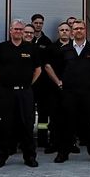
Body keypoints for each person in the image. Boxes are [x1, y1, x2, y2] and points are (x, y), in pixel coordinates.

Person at [47, 20, 90, 163]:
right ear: (72, 31)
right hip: (69, 93)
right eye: (76, 28)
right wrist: (60, 82)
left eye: (81, 28)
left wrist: (89, 82)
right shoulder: (64, 50)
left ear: (85, 31)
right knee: (67, 123)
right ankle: (63, 153)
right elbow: (57, 69)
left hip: (88, 93)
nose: (78, 31)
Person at [0, 19, 42, 168]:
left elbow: (38, 69)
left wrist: (28, 84)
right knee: (5, 125)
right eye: (16, 29)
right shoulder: (2, 47)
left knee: (27, 125)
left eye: (21, 29)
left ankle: (29, 157)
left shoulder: (31, 48)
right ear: (10, 30)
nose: (19, 32)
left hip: (25, 93)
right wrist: (3, 82)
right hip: (6, 93)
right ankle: (1, 157)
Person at [41, 22, 72, 154]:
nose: (64, 32)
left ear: (70, 32)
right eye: (61, 30)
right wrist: (58, 82)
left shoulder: (75, 47)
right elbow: (47, 66)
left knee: (70, 116)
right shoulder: (51, 47)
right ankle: (54, 143)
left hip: (71, 88)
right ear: (58, 32)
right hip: (54, 87)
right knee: (54, 116)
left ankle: (71, 143)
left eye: (66, 30)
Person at [30, 14, 55, 150]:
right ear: (32, 23)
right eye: (36, 22)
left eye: (40, 23)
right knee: (28, 113)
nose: (38, 25)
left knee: (43, 114)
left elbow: (49, 63)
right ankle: (26, 139)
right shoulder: (27, 39)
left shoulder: (47, 41)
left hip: (43, 84)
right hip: (30, 84)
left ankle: (42, 138)